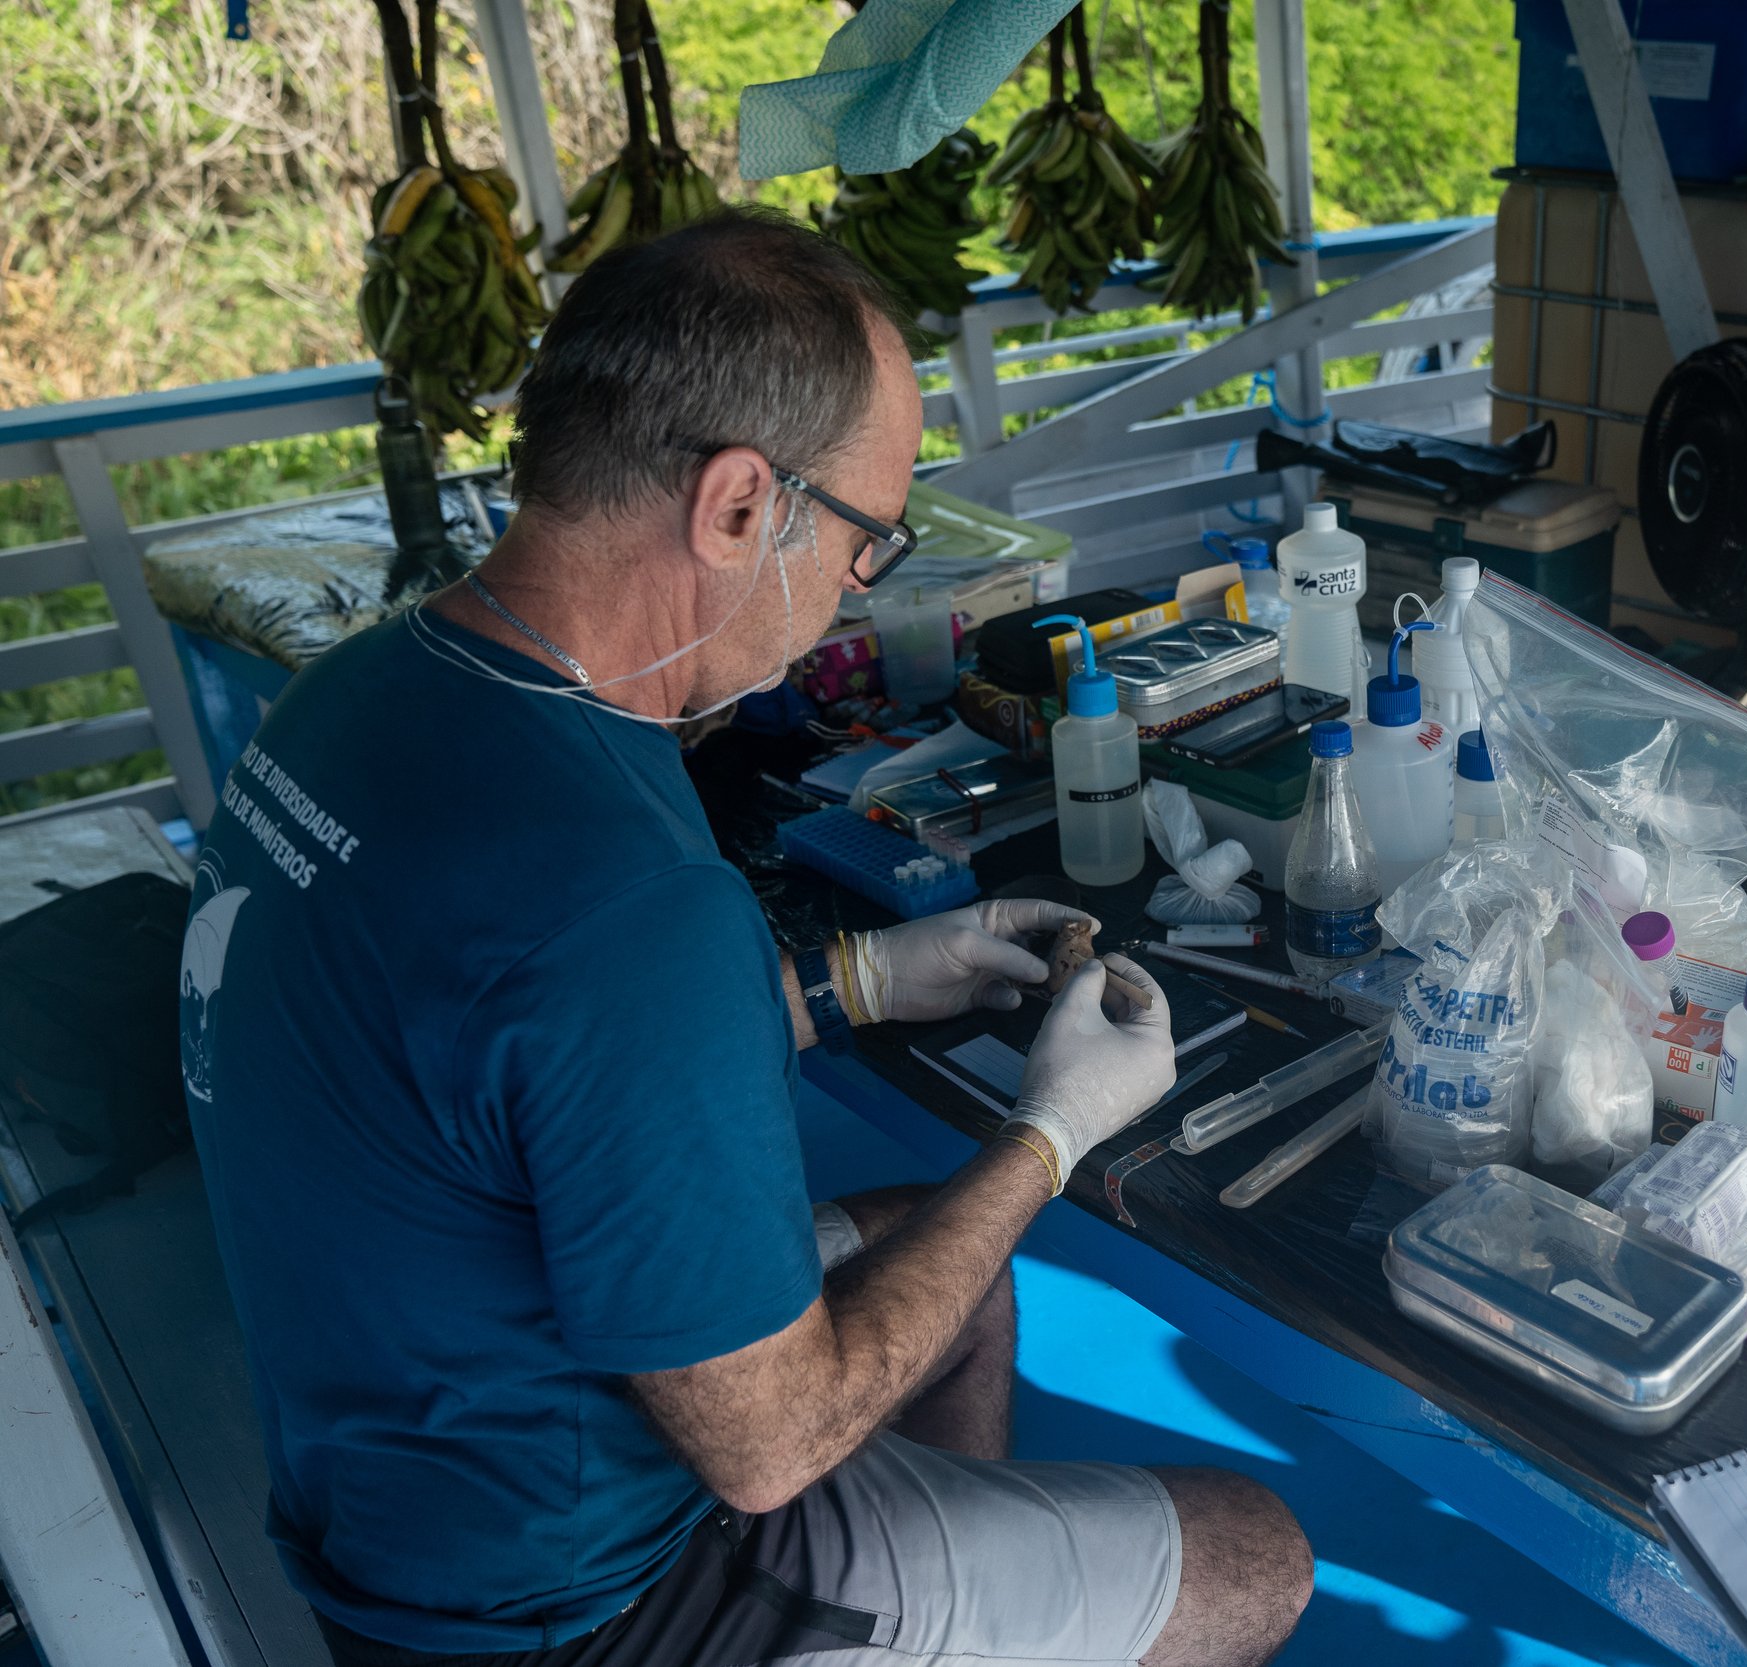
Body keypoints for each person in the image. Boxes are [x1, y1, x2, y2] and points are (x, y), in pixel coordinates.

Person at [178, 210, 1312, 1667]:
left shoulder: (355, 699)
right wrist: (1052, 1131)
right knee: (1253, 1553)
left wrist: (851, 981)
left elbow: (522, 1070)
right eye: (865, 539)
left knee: (942, 1256)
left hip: (396, 1458)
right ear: (733, 508)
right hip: (566, 1605)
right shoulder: (624, 902)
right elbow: (767, 1447)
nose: (861, 585)